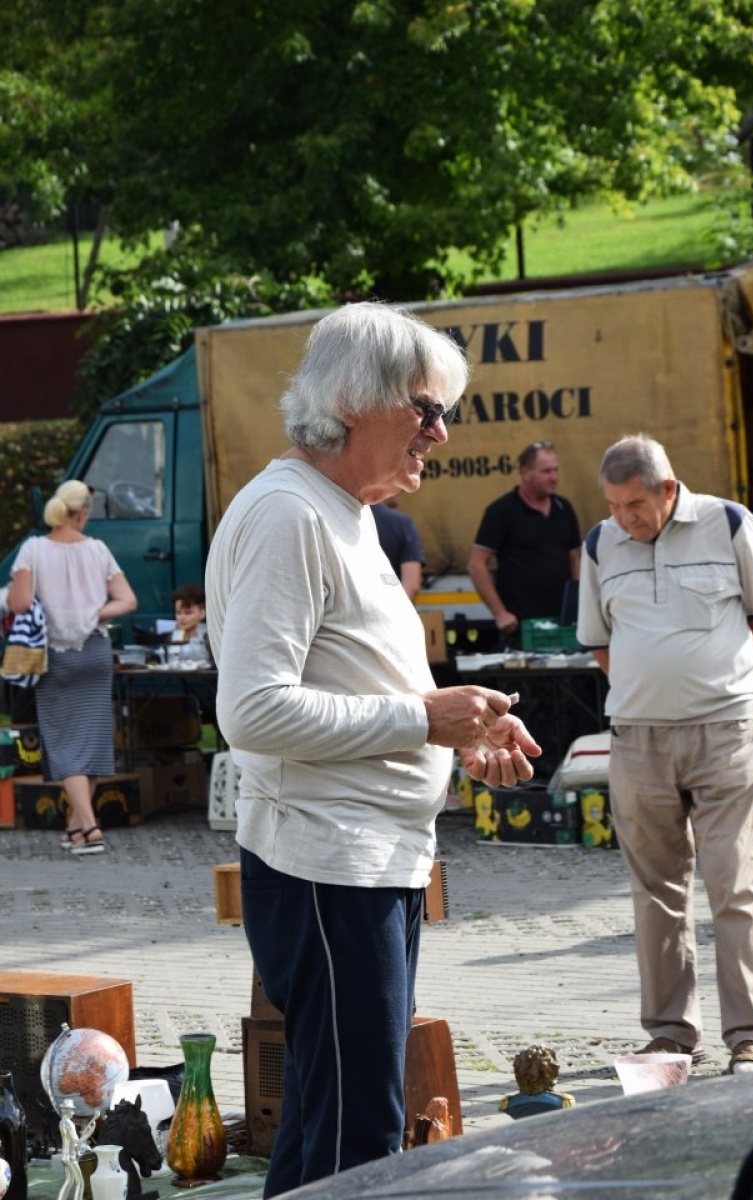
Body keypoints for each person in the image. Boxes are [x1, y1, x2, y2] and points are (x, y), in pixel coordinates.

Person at [205, 300, 541, 1196]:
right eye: (426, 409)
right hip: (327, 864)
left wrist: (460, 731)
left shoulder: (341, 510)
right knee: (359, 1137)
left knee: (329, 1122)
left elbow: (363, 690)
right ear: (353, 402)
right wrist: (424, 722)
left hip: (363, 859)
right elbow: (253, 713)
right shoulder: (290, 515)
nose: (439, 431)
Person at [577, 433, 753, 1074]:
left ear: (669, 490)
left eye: (634, 504)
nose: (623, 519)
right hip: (638, 739)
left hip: (723, 734)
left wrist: (705, 683)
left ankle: (752, 1038)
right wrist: (651, 689)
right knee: (655, 892)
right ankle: (669, 1035)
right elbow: (599, 642)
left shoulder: (728, 523)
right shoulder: (599, 543)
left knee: (735, 885)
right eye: (613, 505)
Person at [6, 480, 137, 855]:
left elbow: (18, 603)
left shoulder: (32, 550)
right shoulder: (98, 550)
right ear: (82, 513)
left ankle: (91, 827)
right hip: (94, 652)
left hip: (54, 656)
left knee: (64, 745)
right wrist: (92, 611)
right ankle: (76, 828)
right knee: (90, 743)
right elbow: (127, 600)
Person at [468, 440, 581, 641]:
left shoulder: (564, 508)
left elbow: (575, 560)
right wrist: (500, 613)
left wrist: (577, 607)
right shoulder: (501, 511)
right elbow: (476, 564)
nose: (554, 477)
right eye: (546, 471)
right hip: (521, 628)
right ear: (525, 473)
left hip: (563, 625)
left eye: (556, 470)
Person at [371, 492, 425, 601]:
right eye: (397, 480)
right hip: (391, 610)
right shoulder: (402, 524)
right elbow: (412, 585)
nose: (403, 490)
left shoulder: (343, 519)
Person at [169, 583, 212, 665]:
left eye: (188, 613)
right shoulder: (172, 636)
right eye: (178, 613)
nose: (182, 618)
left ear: (202, 613)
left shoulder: (210, 637)